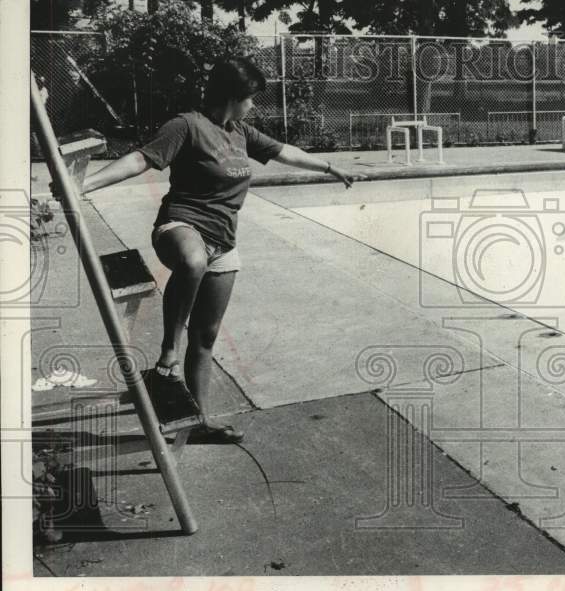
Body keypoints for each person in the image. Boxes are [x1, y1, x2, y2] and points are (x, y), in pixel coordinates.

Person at [79, 57, 365, 443]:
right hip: (180, 227)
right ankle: (167, 354)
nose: (253, 106)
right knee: (193, 261)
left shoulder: (240, 132)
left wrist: (330, 168)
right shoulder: (187, 125)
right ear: (233, 96)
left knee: (207, 336)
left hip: (223, 244)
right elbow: (140, 159)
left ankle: (199, 422)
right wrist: (82, 186)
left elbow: (285, 152)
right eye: (251, 98)